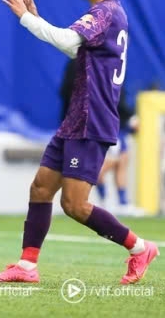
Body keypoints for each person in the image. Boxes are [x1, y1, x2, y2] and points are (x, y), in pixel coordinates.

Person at [0, 0, 158, 286]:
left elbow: (69, 43)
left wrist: (26, 18)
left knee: (75, 205)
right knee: (40, 188)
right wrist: (36, 21)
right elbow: (75, 46)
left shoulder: (106, 12)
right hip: (76, 119)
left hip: (91, 120)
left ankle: (140, 248)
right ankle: (26, 266)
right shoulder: (108, 14)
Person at [61, 60, 142, 215]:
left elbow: (116, 98)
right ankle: (105, 201)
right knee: (103, 165)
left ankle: (120, 202)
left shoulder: (111, 64)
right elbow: (107, 98)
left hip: (109, 123)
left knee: (122, 160)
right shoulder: (93, 64)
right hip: (99, 124)